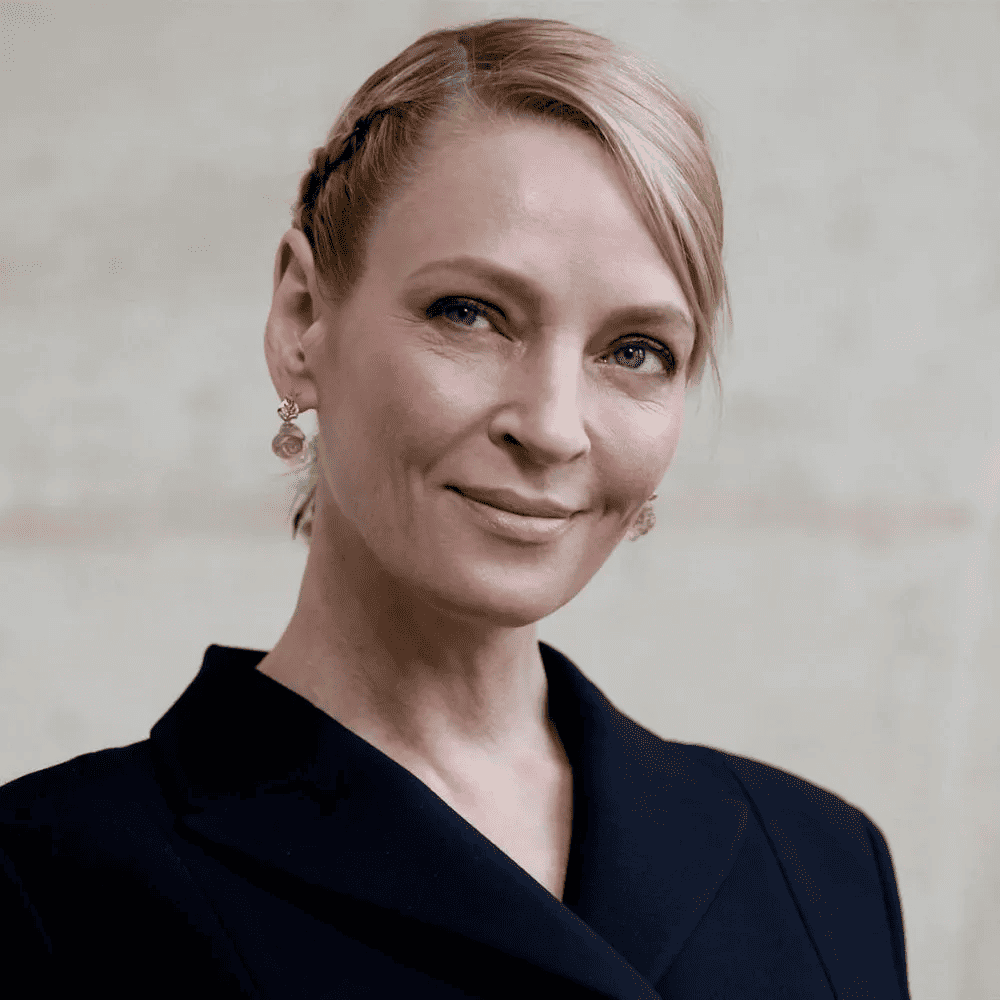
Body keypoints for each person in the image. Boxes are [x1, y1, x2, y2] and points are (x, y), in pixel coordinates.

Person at [0, 17, 910, 999]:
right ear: (302, 319)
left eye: (634, 351)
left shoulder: (822, 865)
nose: (552, 426)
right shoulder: (45, 884)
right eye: (469, 314)